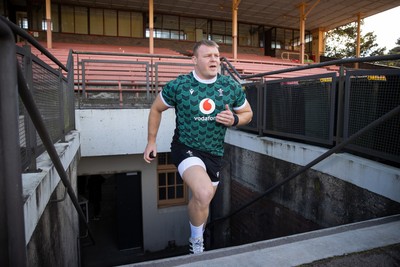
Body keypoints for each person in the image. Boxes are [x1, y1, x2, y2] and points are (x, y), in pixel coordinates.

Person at [143, 40, 253, 254]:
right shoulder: (180, 86)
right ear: (194, 60)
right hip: (186, 147)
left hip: (214, 153)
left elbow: (248, 113)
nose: (214, 59)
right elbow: (156, 108)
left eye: (216, 55)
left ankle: (196, 235)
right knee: (203, 193)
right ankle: (196, 243)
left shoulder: (230, 86)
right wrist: (151, 141)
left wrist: (235, 121)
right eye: (208, 55)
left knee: (203, 201)